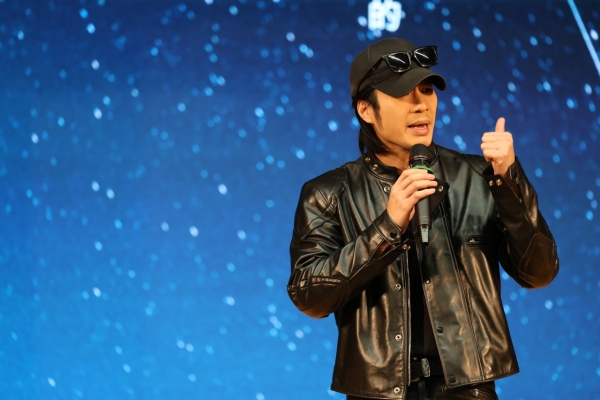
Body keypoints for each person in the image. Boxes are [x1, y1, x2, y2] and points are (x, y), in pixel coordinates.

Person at [287, 37, 559, 400]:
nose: (420, 105)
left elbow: (539, 272)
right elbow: (309, 296)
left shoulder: (480, 177)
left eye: (427, 90)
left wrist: (509, 181)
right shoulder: (328, 192)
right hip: (377, 392)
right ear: (366, 110)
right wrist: (388, 226)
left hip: (468, 389)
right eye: (403, 94)